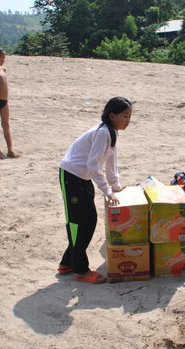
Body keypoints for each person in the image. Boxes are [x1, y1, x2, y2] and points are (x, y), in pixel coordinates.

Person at [57, 97, 132, 284]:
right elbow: (93, 165)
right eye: (125, 116)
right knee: (77, 224)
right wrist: (107, 191)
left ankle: (67, 263)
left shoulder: (112, 132)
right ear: (112, 115)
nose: (128, 121)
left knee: (89, 220)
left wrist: (115, 185)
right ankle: (81, 270)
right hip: (71, 176)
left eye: (130, 117)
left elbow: (110, 161)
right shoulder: (102, 133)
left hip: (83, 178)